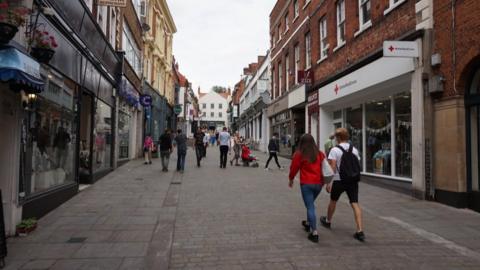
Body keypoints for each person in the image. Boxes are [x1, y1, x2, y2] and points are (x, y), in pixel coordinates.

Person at [320, 128, 365, 242]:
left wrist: (328, 182)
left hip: (339, 180)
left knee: (333, 201)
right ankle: (360, 230)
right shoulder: (354, 149)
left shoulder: (334, 150)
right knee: (355, 203)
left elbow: (333, 167)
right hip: (352, 180)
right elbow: (357, 164)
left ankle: (328, 221)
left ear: (338, 138)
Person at [288, 134, 327, 243]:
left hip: (306, 184)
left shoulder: (299, 154)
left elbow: (294, 168)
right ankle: (309, 223)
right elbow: (325, 167)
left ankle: (314, 232)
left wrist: (291, 179)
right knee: (310, 204)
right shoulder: (319, 153)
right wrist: (326, 183)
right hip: (319, 184)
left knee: (310, 206)